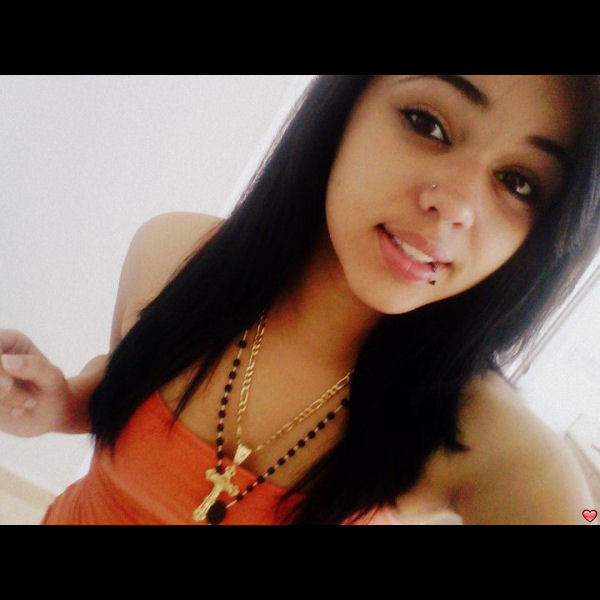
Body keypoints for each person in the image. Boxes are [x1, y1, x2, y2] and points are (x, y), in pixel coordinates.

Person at [0, 75, 599, 525]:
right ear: (345, 108)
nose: (457, 207)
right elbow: (126, 385)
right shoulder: (170, 253)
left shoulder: (492, 444)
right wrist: (62, 404)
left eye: (519, 182)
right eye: (427, 123)